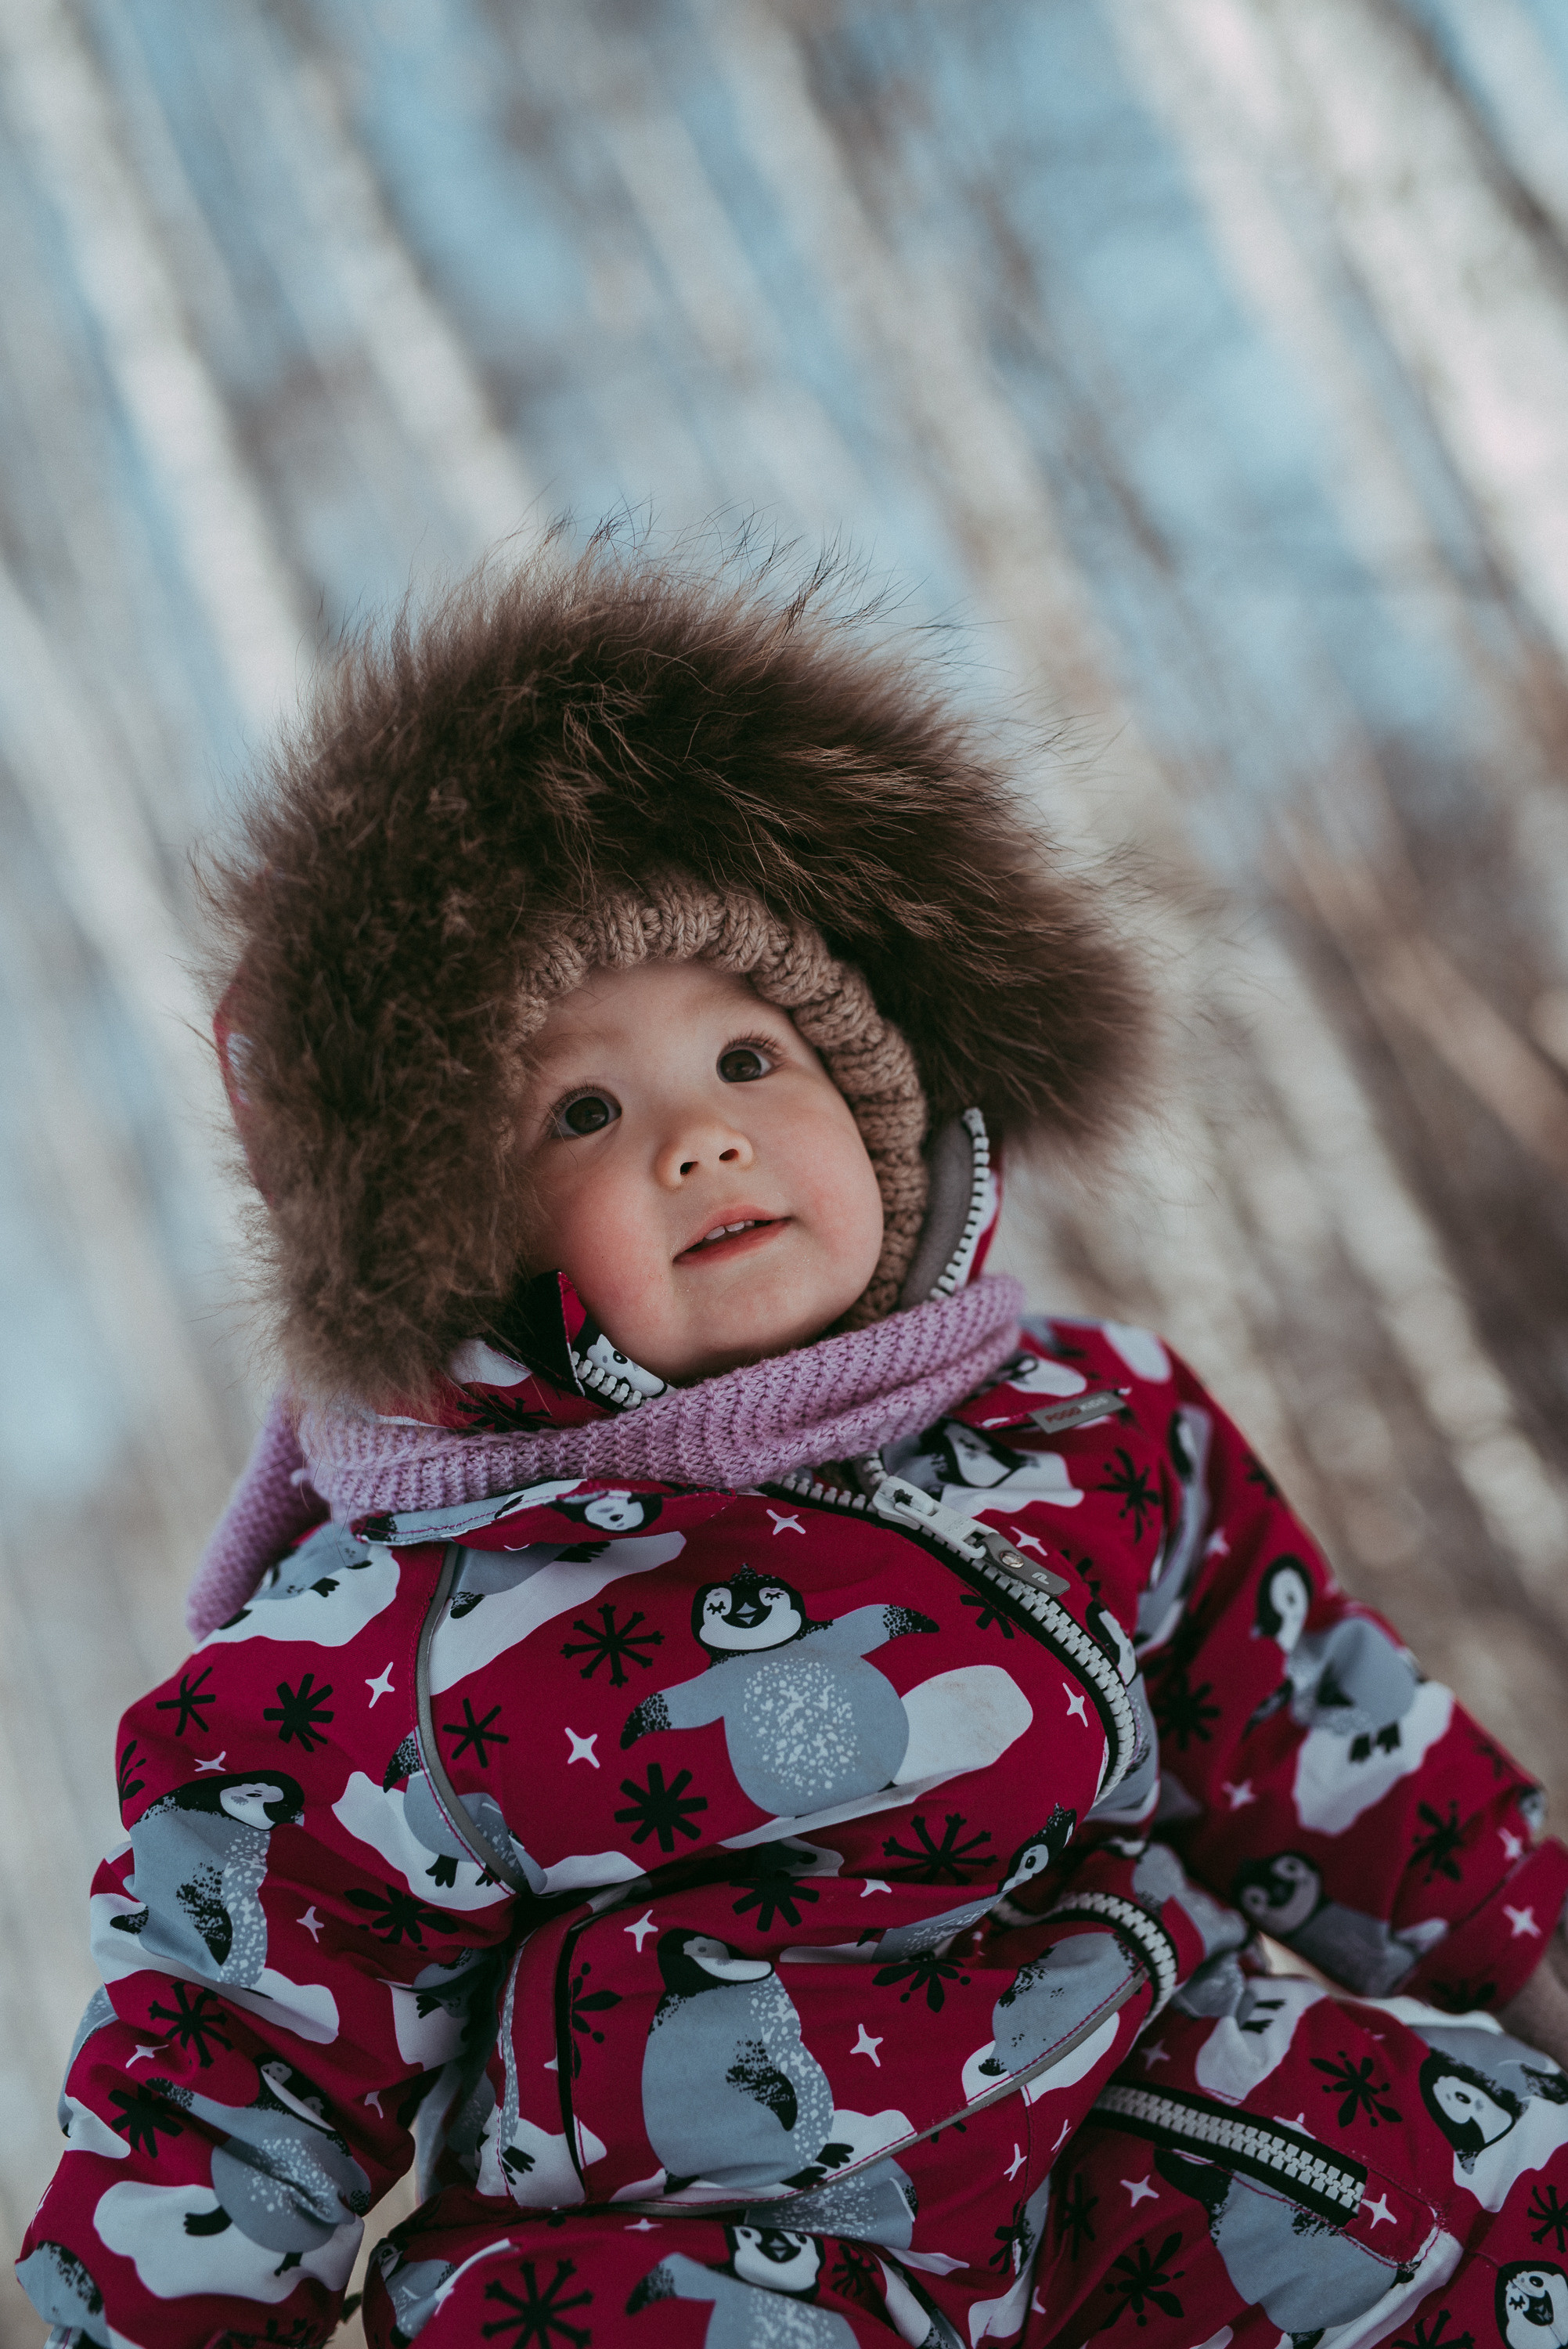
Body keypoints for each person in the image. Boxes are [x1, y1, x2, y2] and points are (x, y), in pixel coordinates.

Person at [20, 544, 1568, 2349]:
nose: (701, 1138)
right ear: (469, 1231)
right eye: (586, 1111)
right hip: (698, 2252)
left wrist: (1529, 1961)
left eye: (754, 1059)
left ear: (885, 1102)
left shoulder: (1082, 1419)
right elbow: (229, 2051)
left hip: (1146, 2143)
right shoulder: (392, 1633)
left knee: (1482, 2189)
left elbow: (1317, 1728)